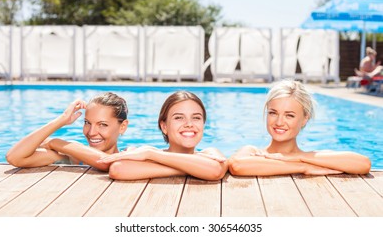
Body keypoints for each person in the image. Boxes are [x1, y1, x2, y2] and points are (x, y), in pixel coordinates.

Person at [228, 80, 371, 176]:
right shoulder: (253, 152)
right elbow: (237, 165)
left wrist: (298, 157)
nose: (279, 122)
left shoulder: (311, 157)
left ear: (304, 119)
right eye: (273, 113)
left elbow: (363, 164)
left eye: (289, 115)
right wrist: (302, 167)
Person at [98, 91, 228, 181]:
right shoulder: (146, 151)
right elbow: (117, 169)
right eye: (179, 118)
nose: (189, 124)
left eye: (196, 118)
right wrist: (195, 169)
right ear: (164, 126)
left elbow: (216, 171)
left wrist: (151, 155)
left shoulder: (210, 152)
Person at [6, 92, 129, 171]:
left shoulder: (130, 154)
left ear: (122, 126)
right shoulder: (74, 157)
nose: (91, 132)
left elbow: (108, 162)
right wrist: (62, 119)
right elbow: (14, 157)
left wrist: (55, 142)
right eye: (87, 123)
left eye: (102, 125)